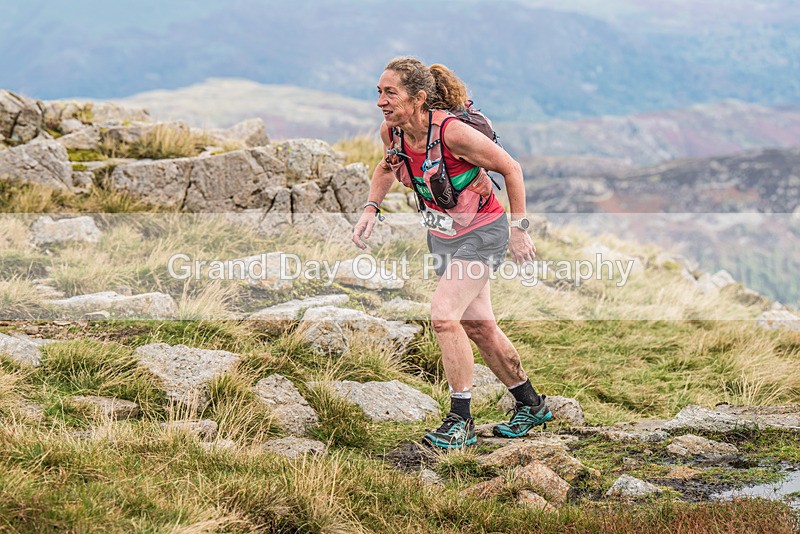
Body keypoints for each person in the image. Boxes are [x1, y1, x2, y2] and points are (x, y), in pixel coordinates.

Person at [352, 57, 551, 449]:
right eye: (379, 92)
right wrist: (371, 208)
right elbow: (386, 168)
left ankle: (460, 422)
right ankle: (532, 405)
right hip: (444, 236)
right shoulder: (391, 133)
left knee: (444, 317)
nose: (380, 101)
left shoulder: (453, 133)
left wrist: (519, 230)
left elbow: (511, 168)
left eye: (390, 92)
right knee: (479, 326)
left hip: (484, 232)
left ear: (418, 97)